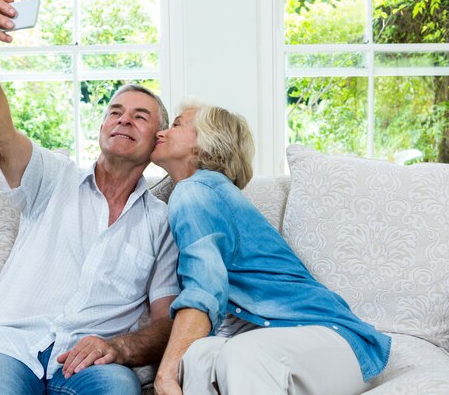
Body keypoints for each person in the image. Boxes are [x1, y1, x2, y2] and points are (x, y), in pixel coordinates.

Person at [0, 0, 180, 395]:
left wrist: (120, 347)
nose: (124, 118)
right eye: (114, 111)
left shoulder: (160, 221)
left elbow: (166, 321)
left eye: (140, 116)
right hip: (8, 349)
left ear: (157, 141)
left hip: (89, 363)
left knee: (117, 390)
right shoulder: (52, 176)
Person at [150, 102, 392, 395]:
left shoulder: (196, 191)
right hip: (288, 347)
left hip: (338, 344)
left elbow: (204, 289)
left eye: (176, 124)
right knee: (198, 357)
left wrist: (164, 375)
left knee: (241, 354)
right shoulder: (204, 193)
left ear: (204, 144)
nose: (161, 132)